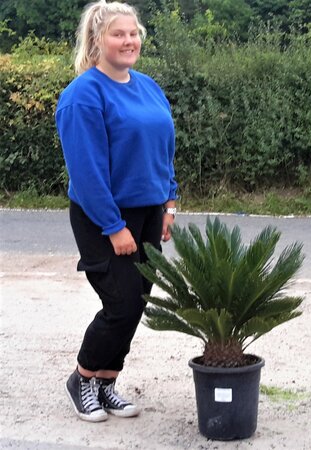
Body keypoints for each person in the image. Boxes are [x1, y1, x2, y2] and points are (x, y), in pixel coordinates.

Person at [55, 0, 177, 422]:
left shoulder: (148, 87)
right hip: (103, 215)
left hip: (148, 211)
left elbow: (163, 149)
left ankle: (107, 383)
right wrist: (113, 226)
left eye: (133, 33)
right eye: (118, 34)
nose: (129, 41)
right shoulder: (82, 97)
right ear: (96, 40)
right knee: (121, 301)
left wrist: (170, 201)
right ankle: (82, 378)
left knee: (139, 301)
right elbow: (87, 173)